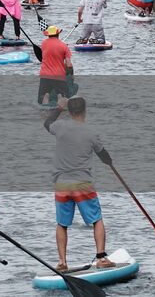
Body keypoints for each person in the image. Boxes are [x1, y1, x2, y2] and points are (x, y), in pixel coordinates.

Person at [45, 97, 115, 273]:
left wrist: (59, 107)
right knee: (96, 220)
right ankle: (101, 258)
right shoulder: (91, 132)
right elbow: (103, 155)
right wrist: (109, 162)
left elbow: (47, 123)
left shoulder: (59, 127)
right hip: (83, 184)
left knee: (62, 224)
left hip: (62, 184)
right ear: (85, 111)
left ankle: (62, 262)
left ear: (69, 112)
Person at [38, 26, 73, 106]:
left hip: (45, 75)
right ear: (58, 34)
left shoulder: (43, 44)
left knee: (45, 96)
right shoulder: (64, 46)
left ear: (48, 35)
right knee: (62, 97)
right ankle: (61, 112)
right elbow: (68, 64)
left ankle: (44, 112)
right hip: (59, 75)